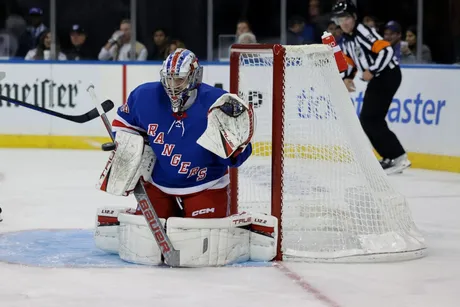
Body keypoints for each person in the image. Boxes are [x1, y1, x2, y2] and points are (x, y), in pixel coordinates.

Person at [93, 48, 277, 267]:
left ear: (194, 77)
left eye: (179, 80)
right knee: (148, 243)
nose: (172, 86)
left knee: (196, 246)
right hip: (159, 183)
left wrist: (235, 149)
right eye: (168, 79)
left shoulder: (218, 103)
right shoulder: (144, 96)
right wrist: (128, 149)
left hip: (206, 184)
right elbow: (126, 125)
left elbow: (238, 157)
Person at [331, 0, 411, 175]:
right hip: (381, 77)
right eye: (339, 20)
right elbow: (351, 60)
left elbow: (386, 51)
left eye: (346, 18)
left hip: (387, 75)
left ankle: (398, 157)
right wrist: (347, 78)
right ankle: (391, 157)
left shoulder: (362, 32)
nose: (343, 23)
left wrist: (372, 70)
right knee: (370, 119)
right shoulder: (347, 38)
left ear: (354, 17)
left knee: (370, 118)